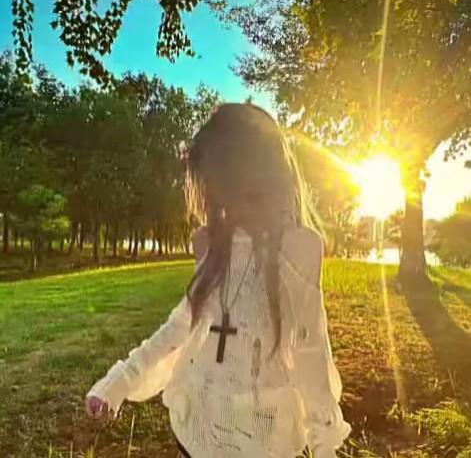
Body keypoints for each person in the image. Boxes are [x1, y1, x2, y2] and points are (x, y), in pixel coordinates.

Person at [85, 103, 351, 458]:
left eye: (216, 178)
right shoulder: (208, 242)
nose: (210, 192)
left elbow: (310, 350)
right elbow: (180, 326)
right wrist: (118, 382)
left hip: (263, 440)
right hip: (198, 431)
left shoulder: (298, 246)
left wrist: (324, 444)